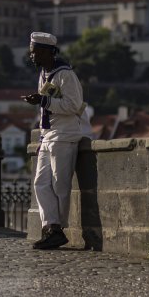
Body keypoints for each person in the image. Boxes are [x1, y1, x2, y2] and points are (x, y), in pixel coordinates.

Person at [22, 31, 92, 250]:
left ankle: (56, 228)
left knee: (60, 185)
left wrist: (43, 101)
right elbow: (49, 102)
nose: (31, 57)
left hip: (65, 135)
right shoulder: (44, 73)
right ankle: (52, 227)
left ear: (46, 52)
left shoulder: (65, 75)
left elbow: (73, 105)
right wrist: (42, 102)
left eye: (34, 53)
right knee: (41, 183)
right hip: (49, 135)